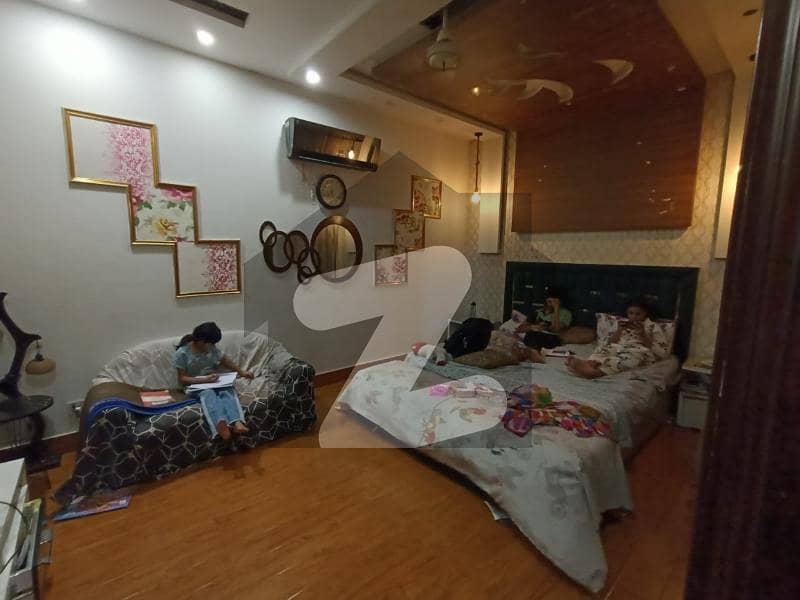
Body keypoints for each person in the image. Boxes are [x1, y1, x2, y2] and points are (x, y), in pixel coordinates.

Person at [173, 322, 254, 441]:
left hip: (213, 381)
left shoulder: (211, 349)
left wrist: (241, 372)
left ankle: (237, 422)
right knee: (209, 394)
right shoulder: (182, 354)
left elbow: (225, 360)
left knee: (227, 390)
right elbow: (182, 379)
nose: (213, 346)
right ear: (201, 341)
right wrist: (204, 380)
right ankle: (220, 425)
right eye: (211, 343)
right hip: (195, 386)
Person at [566, 298, 655, 379]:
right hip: (618, 346)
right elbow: (612, 341)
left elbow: (649, 346)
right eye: (631, 313)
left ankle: (596, 372)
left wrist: (642, 333)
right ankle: (590, 363)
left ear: (645, 314)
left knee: (623, 360)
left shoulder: (649, 325)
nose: (634, 317)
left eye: (638, 314)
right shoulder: (623, 323)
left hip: (635, 349)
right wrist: (619, 330)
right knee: (603, 349)